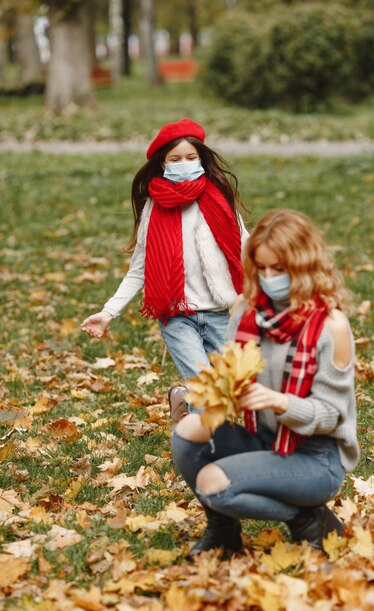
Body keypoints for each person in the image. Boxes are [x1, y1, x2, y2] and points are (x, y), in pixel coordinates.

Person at [171, 208, 359, 555]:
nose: (269, 277)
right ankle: (223, 530)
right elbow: (230, 373)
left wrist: (277, 401)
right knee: (188, 432)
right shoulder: (247, 311)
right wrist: (218, 391)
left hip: (315, 456)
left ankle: (306, 517)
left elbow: (332, 414)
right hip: (264, 437)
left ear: (304, 266)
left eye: (280, 269)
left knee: (213, 485)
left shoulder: (329, 326)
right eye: (262, 268)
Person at [81, 118, 249, 420]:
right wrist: (108, 312)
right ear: (163, 164)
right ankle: (204, 450)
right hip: (177, 317)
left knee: (232, 386)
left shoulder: (219, 200)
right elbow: (138, 270)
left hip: (219, 312)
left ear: (201, 159)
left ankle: (179, 397)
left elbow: (247, 248)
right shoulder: (153, 208)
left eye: (190, 157)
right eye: (175, 159)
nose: (184, 163)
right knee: (204, 388)